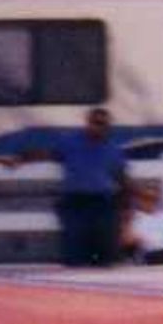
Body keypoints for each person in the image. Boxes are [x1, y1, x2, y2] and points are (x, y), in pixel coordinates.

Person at [50, 107, 130, 267]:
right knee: (75, 251)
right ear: (88, 123)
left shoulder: (113, 149)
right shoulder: (70, 142)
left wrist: (126, 205)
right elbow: (49, 154)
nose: (100, 127)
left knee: (105, 253)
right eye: (97, 123)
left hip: (102, 201)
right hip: (75, 200)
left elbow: (121, 177)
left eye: (104, 125)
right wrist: (22, 158)